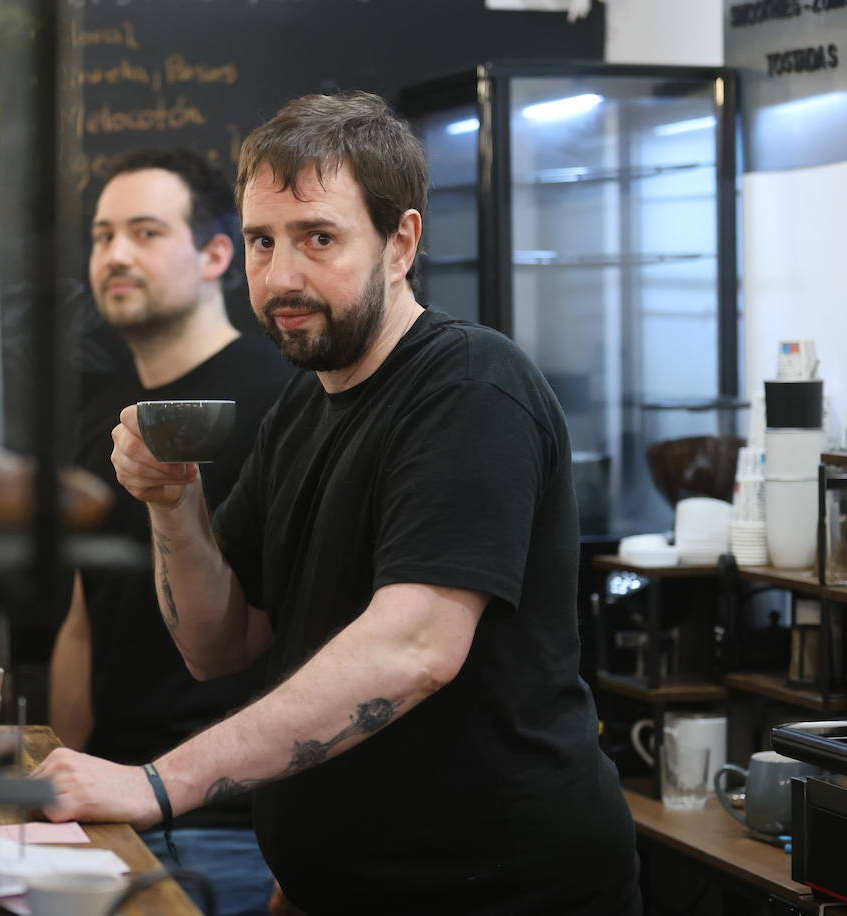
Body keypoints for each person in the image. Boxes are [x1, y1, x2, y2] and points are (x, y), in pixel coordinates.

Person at [34, 92, 641, 914]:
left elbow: (415, 646)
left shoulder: (470, 385)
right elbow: (219, 645)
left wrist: (159, 783)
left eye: (319, 238)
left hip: (496, 893)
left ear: (401, 242)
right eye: (262, 241)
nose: (283, 276)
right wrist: (172, 504)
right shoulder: (303, 410)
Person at [50, 148, 292, 915]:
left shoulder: (282, 399)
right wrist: (59, 768)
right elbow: (85, 619)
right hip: (112, 802)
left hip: (234, 825)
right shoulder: (104, 413)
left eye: (146, 232)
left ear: (218, 253)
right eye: (102, 235)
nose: (116, 254)